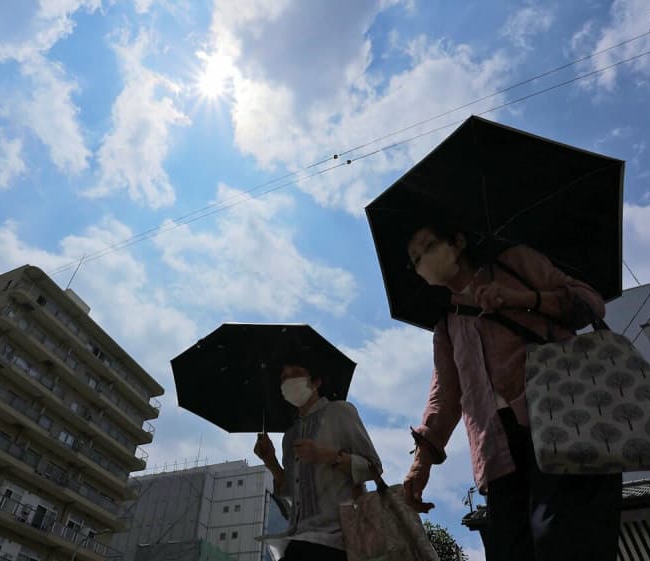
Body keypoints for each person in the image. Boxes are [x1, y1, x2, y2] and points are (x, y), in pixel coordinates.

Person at [401, 222, 622, 561]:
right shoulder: (446, 324)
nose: (423, 261)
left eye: (428, 247)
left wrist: (523, 299)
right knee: (510, 548)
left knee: (564, 538)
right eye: (415, 259)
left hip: (563, 421)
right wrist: (422, 461)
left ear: (458, 241)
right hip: (496, 451)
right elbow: (445, 394)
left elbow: (590, 303)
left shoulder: (514, 263)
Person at [254, 360, 381, 561]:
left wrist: (326, 455)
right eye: (283, 377)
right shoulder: (290, 436)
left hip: (338, 539)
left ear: (316, 382)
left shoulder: (340, 411)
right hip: (298, 538)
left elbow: (373, 468)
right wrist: (271, 462)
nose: (288, 380)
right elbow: (292, 493)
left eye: (295, 372)